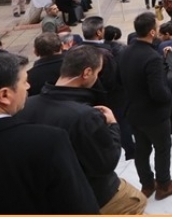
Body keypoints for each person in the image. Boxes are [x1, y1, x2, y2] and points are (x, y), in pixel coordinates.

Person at [0, 53, 100, 214]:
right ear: (4, 95)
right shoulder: (47, 141)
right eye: (24, 81)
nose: (28, 86)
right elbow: (78, 206)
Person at [16, 46, 147, 214]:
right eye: (97, 73)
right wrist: (113, 125)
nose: (97, 77)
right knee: (137, 200)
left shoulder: (26, 106)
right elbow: (106, 163)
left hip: (49, 195)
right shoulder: (85, 116)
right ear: (86, 73)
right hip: (89, 195)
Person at [118, 12, 172, 200]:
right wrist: (168, 100)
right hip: (153, 115)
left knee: (142, 149)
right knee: (162, 148)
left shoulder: (125, 51)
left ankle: (147, 184)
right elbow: (158, 91)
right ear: (151, 32)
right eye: (157, 28)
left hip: (134, 112)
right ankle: (164, 184)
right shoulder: (152, 57)